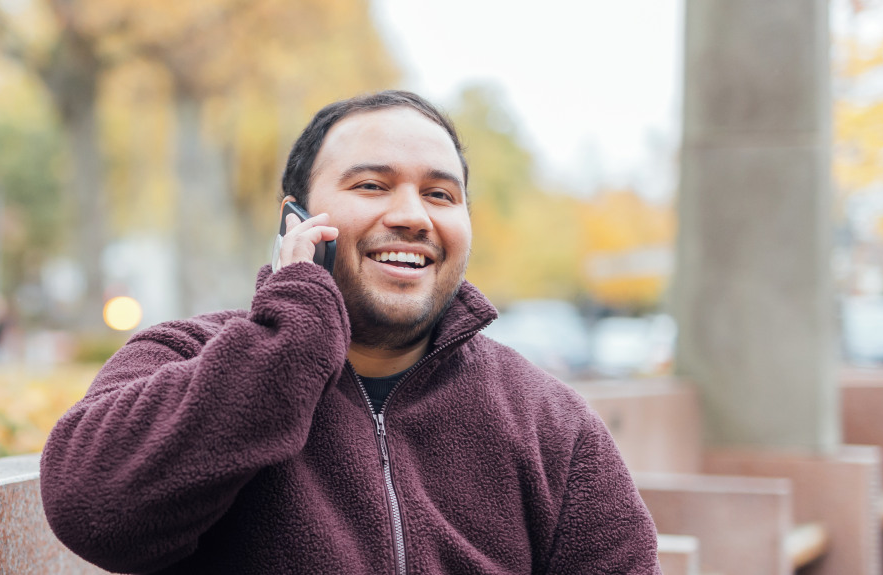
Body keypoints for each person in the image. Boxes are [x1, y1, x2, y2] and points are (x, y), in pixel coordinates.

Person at [39, 90, 659, 574]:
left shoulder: (550, 423)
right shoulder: (187, 356)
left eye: (440, 194)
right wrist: (292, 335)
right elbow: (94, 511)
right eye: (372, 185)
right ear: (296, 221)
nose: (412, 216)